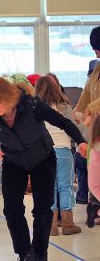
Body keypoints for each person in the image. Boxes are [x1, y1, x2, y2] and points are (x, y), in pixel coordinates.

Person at [0, 76, 87, 261]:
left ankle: (39, 253)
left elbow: (64, 123)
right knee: (12, 210)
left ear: (8, 97)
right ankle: (24, 253)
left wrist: (81, 141)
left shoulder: (32, 105)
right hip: (13, 162)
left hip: (43, 159)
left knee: (43, 210)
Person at [35, 76, 81, 236]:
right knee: (65, 187)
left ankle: (52, 226)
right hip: (63, 152)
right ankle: (68, 224)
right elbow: (73, 127)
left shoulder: (36, 108)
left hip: (44, 153)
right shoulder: (64, 106)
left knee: (50, 188)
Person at [74, 26, 100, 204]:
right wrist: (80, 110)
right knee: (94, 172)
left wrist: (91, 108)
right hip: (95, 130)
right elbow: (87, 91)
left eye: (96, 47)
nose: (94, 51)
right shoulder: (97, 69)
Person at [87, 115, 100, 227]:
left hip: (93, 168)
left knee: (95, 190)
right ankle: (94, 209)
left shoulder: (93, 142)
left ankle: (94, 208)